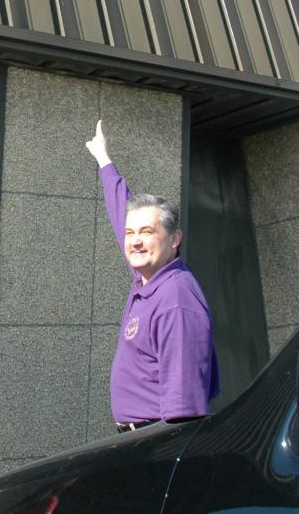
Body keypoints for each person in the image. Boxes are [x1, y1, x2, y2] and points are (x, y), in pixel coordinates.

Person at [86, 120, 219, 430]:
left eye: (147, 231)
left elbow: (185, 404)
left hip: (155, 438)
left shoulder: (175, 297)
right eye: (130, 233)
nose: (135, 240)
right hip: (135, 436)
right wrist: (105, 162)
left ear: (174, 239)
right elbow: (123, 214)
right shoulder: (149, 277)